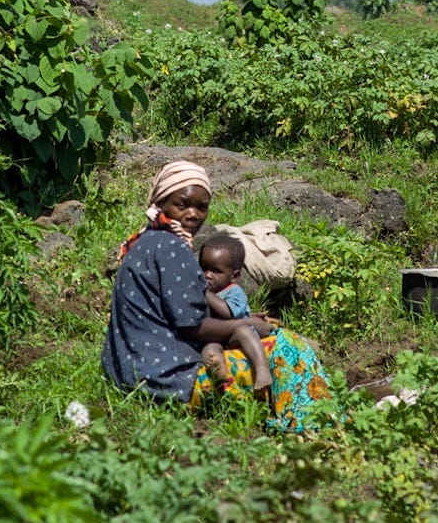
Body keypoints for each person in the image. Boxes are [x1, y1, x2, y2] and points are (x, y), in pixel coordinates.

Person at [102, 160, 335, 431]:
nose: (193, 214)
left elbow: (179, 312)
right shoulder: (172, 249)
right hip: (167, 380)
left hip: (127, 371)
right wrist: (244, 325)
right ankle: (311, 426)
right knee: (288, 347)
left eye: (201, 207)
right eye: (183, 204)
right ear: (161, 200)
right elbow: (192, 327)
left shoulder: (147, 241)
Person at [197, 233, 273, 392]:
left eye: (216, 271)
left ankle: (262, 369)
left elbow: (227, 313)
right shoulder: (204, 291)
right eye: (203, 268)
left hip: (236, 335)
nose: (207, 275)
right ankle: (219, 376)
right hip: (219, 337)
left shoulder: (234, 292)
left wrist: (206, 294)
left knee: (243, 331)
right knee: (209, 349)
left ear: (235, 276)